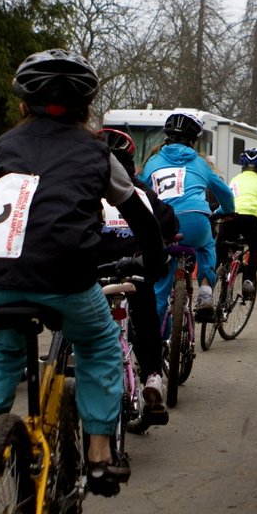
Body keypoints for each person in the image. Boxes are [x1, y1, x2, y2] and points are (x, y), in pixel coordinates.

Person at [0, 49, 166, 506]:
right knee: (100, 344)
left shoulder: (5, 146)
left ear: (23, 104)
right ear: (85, 108)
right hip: (65, 276)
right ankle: (99, 454)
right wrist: (157, 261)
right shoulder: (97, 152)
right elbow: (138, 213)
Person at [96, 126, 179, 426]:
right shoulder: (140, 191)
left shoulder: (85, 186)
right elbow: (167, 221)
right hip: (133, 270)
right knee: (146, 314)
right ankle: (153, 376)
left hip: (94, 272)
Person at [140, 110, 234, 323]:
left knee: (161, 288)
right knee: (207, 244)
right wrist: (224, 211)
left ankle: (157, 340)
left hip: (163, 225)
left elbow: (139, 191)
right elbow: (226, 194)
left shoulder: (152, 162)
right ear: (194, 141)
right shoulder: (201, 163)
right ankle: (205, 291)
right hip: (196, 223)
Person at [225, 147, 257, 300]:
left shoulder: (234, 179)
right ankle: (248, 280)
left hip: (230, 217)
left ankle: (222, 273)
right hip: (249, 219)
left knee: (224, 248)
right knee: (255, 250)